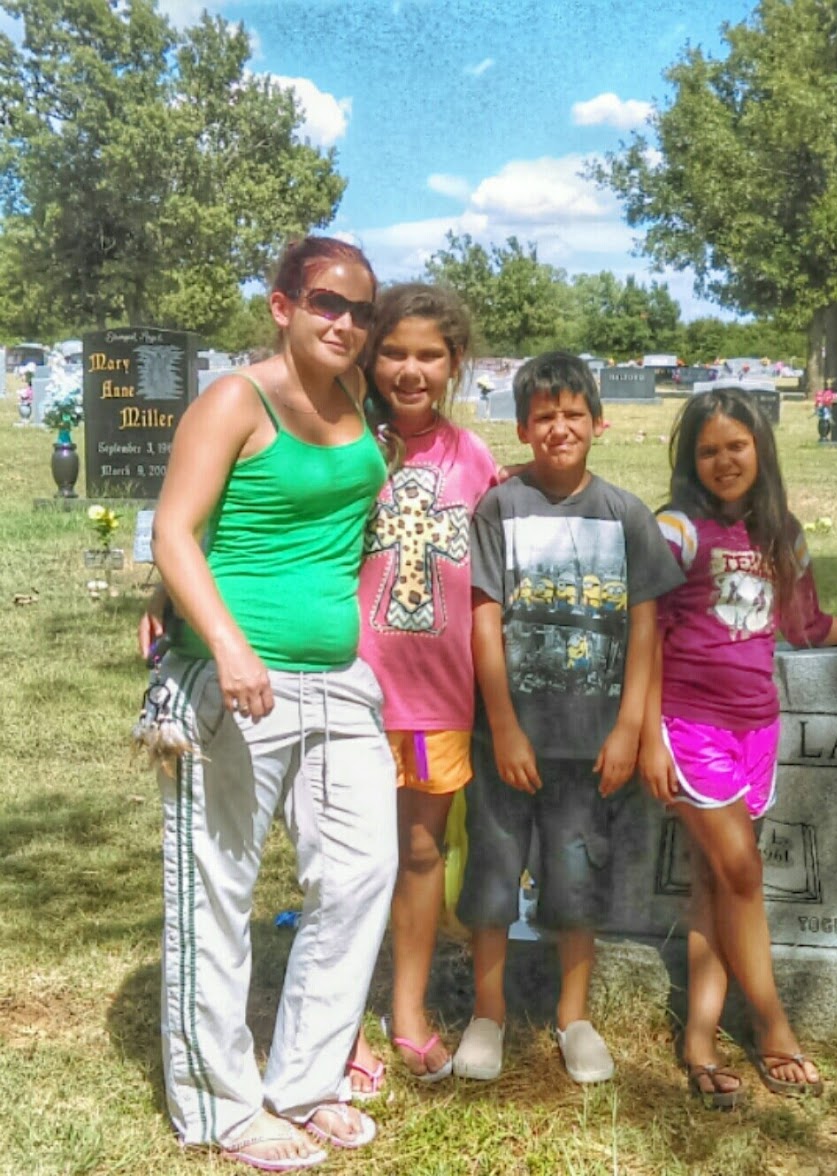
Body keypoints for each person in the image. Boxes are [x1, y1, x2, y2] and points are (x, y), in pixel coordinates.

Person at [148, 237, 391, 1169]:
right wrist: (225, 642)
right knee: (217, 890)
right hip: (238, 682)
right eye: (329, 303)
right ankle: (219, 1105)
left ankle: (306, 1076)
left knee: (361, 873)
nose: (348, 324)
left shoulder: (356, 398)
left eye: (361, 311)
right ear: (283, 305)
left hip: (341, 683)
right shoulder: (232, 401)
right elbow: (175, 529)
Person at [641, 387, 837, 1107]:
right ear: (692, 458)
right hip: (692, 727)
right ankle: (774, 1028)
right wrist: (647, 735)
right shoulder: (676, 530)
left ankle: (699, 1039)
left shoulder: (782, 532)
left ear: (762, 451)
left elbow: (807, 625)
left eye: (737, 447)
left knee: (717, 886)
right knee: (745, 873)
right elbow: (643, 632)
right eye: (709, 449)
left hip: (759, 727)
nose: (724, 460)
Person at [454, 351, 683, 1085]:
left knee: (576, 881)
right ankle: (486, 1013)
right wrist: (506, 724)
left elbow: (646, 629)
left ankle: (573, 1016)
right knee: (494, 874)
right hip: (506, 741)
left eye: (572, 415)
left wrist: (631, 729)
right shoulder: (499, 509)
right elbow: (485, 620)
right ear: (521, 426)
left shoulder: (625, 515)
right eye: (543, 416)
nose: (559, 428)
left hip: (592, 745)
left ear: (598, 422)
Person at [342, 284, 504, 1095]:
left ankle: (405, 1013)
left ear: (454, 365)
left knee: (418, 853)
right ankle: (335, 1025)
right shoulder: (344, 443)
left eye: (429, 355)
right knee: (348, 861)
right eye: (395, 352)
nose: (411, 370)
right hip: (349, 689)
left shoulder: (473, 460)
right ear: (370, 357)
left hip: (437, 697)